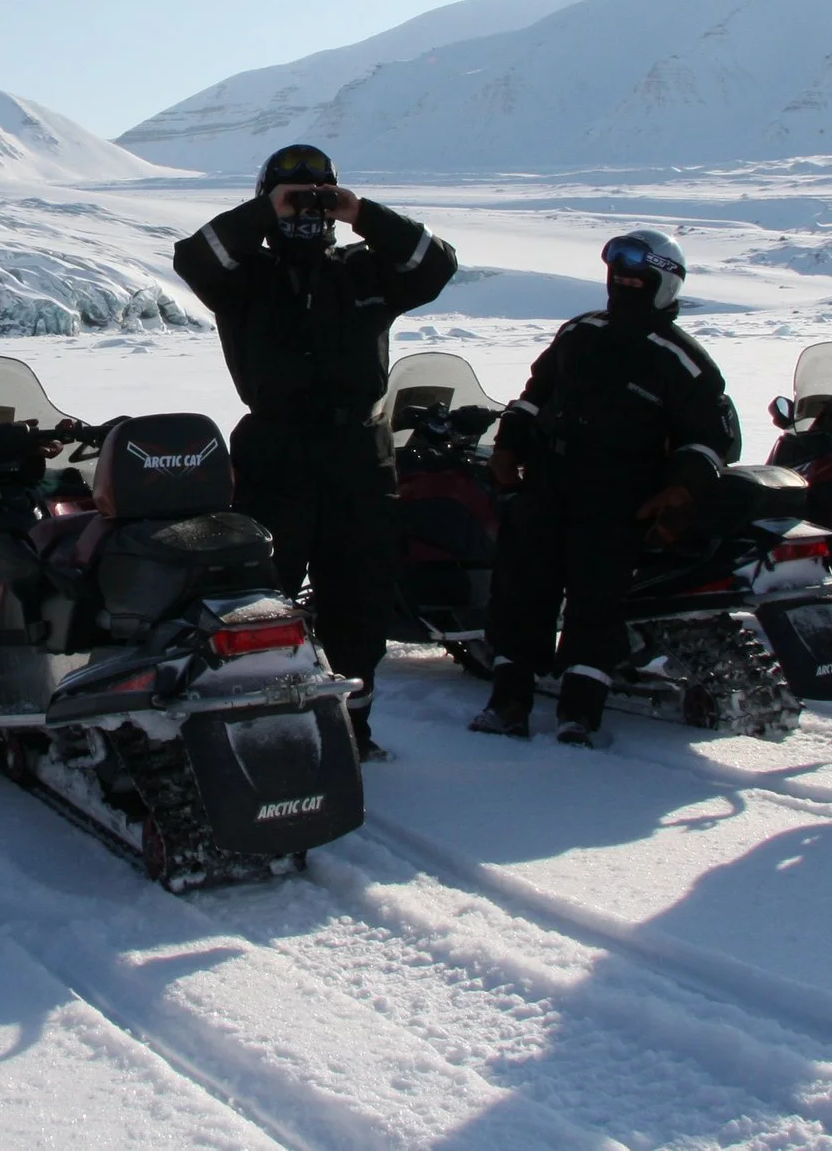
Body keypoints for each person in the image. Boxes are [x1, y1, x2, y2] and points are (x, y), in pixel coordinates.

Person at [173, 143, 458, 759]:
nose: (305, 205)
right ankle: (259, 725)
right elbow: (194, 258)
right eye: (290, 193)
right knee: (258, 596)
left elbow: (435, 265)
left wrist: (363, 213)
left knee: (360, 594)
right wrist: (264, 213)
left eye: (317, 193)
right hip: (275, 448)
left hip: (358, 449)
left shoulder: (364, 270)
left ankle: (354, 729)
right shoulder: (246, 277)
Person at [471, 230, 738, 746]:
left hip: (619, 496)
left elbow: (708, 439)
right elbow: (534, 397)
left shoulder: (682, 359)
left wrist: (680, 490)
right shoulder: (580, 333)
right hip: (548, 484)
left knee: (597, 604)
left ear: (664, 283)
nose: (625, 285)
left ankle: (581, 712)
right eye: (619, 277)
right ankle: (508, 701)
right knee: (520, 592)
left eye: (638, 279)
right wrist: (508, 447)